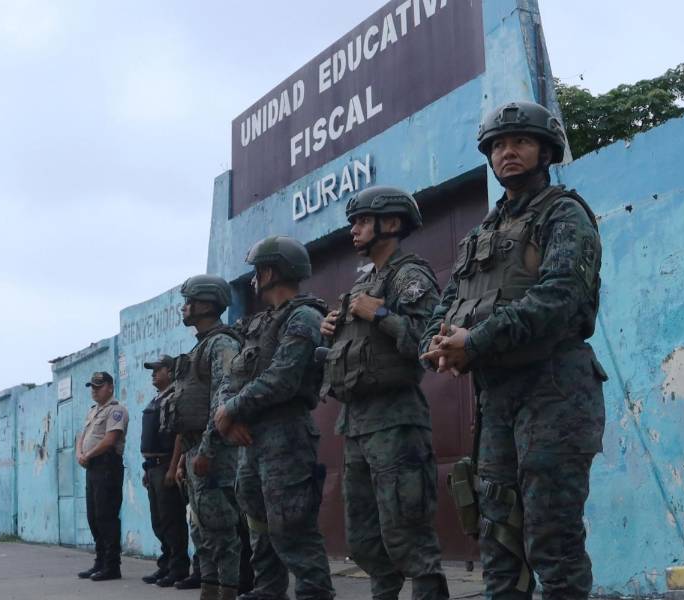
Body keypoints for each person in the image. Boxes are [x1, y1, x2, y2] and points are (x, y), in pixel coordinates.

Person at [420, 101, 607, 600]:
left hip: (556, 391)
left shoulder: (565, 214)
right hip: (496, 397)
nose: (508, 152)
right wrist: (435, 346)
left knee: (552, 536)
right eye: (499, 145)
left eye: (520, 142)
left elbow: (558, 299)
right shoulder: (481, 233)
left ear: (545, 150)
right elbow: (447, 304)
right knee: (499, 537)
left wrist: (474, 342)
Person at [319, 187, 449, 600]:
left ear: (390, 223)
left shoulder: (410, 276)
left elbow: (427, 344)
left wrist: (382, 313)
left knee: (408, 535)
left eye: (361, 221)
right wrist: (332, 331)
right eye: (353, 222)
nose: (353, 230)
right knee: (365, 542)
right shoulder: (362, 285)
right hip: (356, 424)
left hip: (396, 422)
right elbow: (351, 352)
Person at [213, 235, 335, 600]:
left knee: (291, 523)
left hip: (287, 434)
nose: (253, 278)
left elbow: (283, 378)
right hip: (253, 437)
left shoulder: (305, 317)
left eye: (257, 270)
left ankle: (315, 593)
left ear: (270, 271)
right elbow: (231, 377)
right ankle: (268, 590)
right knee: (258, 521)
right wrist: (228, 416)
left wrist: (231, 410)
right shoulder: (259, 324)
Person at [171, 275, 246, 600]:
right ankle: (209, 592)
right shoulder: (200, 346)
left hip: (213, 453)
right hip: (193, 452)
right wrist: (184, 460)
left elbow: (223, 400)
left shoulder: (222, 344)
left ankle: (225, 593)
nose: (184, 308)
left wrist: (206, 450)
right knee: (201, 531)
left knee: (221, 533)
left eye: (189, 301)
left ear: (205, 304)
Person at [142, 355, 192, 586]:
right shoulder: (157, 400)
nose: (153, 374)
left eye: (157, 370)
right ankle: (166, 564)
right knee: (158, 521)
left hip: (166, 466)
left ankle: (178, 568)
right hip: (153, 467)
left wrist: (174, 467)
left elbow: (179, 436)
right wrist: (146, 469)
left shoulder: (175, 397)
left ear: (170, 372)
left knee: (172, 520)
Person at [76, 371, 130, 581]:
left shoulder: (116, 411)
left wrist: (87, 454)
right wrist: (80, 453)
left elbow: (110, 439)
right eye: (92, 387)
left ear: (110, 387)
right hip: (93, 467)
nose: (94, 390)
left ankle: (112, 566)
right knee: (93, 517)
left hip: (108, 466)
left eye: (99, 386)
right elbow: (82, 436)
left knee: (106, 516)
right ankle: (99, 562)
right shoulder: (93, 412)